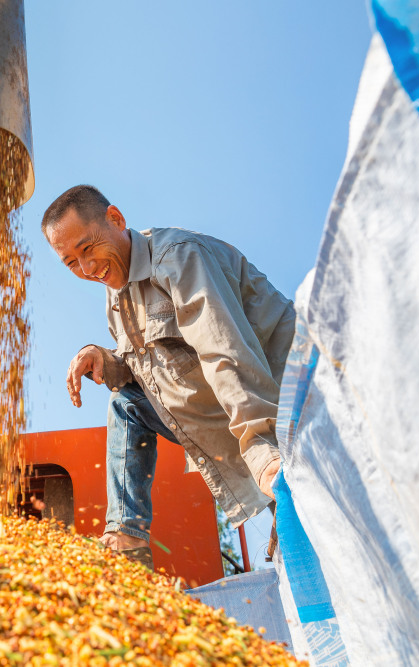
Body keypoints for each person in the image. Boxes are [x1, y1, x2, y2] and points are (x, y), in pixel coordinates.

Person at [42, 185, 295, 567]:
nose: (87, 269)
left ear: (115, 219)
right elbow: (152, 368)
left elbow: (222, 347)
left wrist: (261, 447)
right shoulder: (116, 297)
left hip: (288, 405)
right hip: (225, 417)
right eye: (71, 263)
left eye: (88, 248)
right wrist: (103, 358)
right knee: (126, 403)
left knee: (319, 526)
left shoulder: (178, 259)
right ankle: (125, 535)